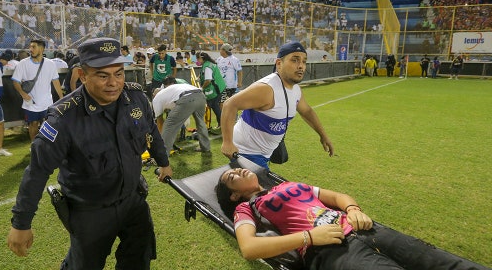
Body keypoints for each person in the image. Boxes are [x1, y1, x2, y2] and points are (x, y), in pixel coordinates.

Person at [7, 37, 173, 270]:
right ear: (83, 76)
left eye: (118, 73)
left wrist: (163, 162)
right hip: (91, 213)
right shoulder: (63, 118)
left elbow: (152, 132)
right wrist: (21, 223)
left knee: (138, 260)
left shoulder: (135, 98)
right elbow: (37, 171)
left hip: (133, 202)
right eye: (103, 75)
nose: (114, 83)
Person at [215, 167, 486, 270]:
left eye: (236, 169)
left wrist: (354, 209)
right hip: (331, 251)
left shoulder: (289, 185)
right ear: (234, 196)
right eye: (232, 177)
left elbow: (340, 197)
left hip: (368, 229)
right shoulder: (248, 208)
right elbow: (249, 248)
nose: (237, 171)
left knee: (445, 262)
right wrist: (309, 237)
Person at [220, 42, 334, 169]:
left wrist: (323, 135)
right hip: (246, 154)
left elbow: (306, 111)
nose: (301, 66)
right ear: (279, 64)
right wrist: (227, 143)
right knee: (267, 188)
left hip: (263, 154)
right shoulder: (266, 89)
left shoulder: (295, 89)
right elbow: (229, 104)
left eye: (304, 61)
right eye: (295, 60)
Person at [11, 39, 64, 140]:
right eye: (30, 47)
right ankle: (34, 145)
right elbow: (15, 81)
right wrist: (22, 93)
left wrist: (61, 98)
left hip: (47, 102)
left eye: (33, 47)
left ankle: (46, 145)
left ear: (42, 48)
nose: (30, 49)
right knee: (33, 124)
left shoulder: (50, 64)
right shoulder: (23, 63)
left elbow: (56, 82)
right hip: (31, 102)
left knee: (47, 125)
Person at [152, 76, 211, 154]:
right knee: (200, 122)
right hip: (200, 95)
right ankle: (205, 147)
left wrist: (160, 139)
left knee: (169, 125)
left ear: (153, 95)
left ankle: (163, 154)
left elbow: (160, 123)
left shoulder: (156, 99)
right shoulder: (171, 91)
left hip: (186, 98)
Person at [197, 52, 226, 128]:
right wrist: (199, 77)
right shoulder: (209, 63)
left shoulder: (207, 67)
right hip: (220, 86)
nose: (197, 61)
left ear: (201, 58)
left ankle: (221, 124)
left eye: (198, 59)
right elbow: (204, 73)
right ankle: (221, 124)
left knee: (215, 106)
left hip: (216, 89)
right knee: (215, 106)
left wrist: (202, 88)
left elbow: (208, 80)